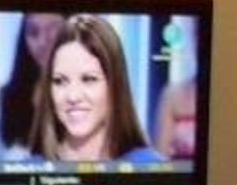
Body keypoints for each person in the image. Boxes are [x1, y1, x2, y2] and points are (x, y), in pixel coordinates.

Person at [30, 14, 152, 163]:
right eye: (60, 81)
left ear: (115, 85)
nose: (73, 96)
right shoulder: (28, 168)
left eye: (88, 79)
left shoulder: (149, 165)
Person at [0, 12, 66, 155]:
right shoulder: (4, 100)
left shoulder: (98, 99)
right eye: (33, 32)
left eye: (53, 30)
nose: (42, 42)